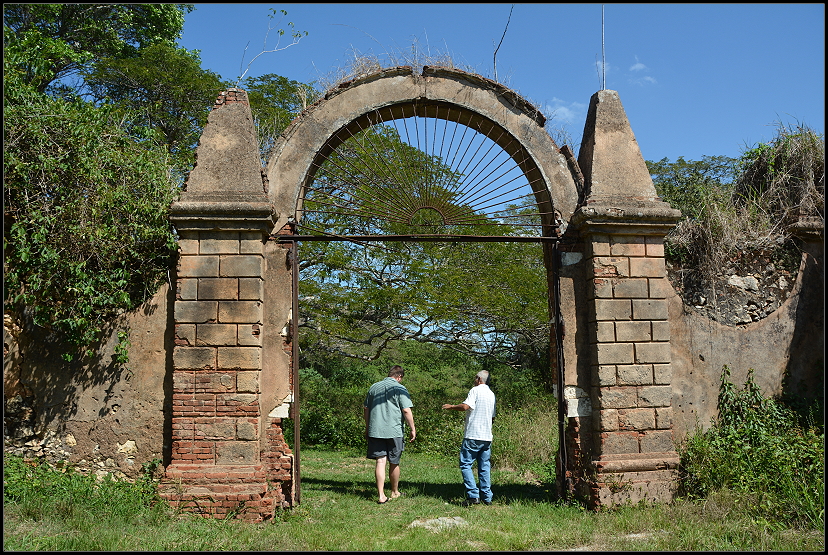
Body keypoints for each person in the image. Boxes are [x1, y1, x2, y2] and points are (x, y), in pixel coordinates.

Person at [442, 370, 496, 506]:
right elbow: (492, 417)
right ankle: (487, 497)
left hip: (473, 435)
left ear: (479, 379)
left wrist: (451, 406)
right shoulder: (491, 394)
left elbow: (466, 406)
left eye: (475, 378)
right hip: (487, 436)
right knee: (484, 467)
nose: (474, 380)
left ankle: (473, 495)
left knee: (466, 464)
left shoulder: (475, 390)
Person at [364, 365, 416, 504]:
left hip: (376, 430)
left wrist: (368, 427)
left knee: (380, 461)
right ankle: (394, 491)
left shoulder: (374, 387)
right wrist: (412, 428)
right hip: (394, 431)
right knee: (394, 461)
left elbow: (366, 409)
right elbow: (406, 410)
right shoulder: (400, 388)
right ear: (399, 377)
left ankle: (381, 495)